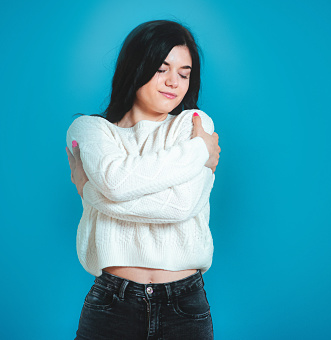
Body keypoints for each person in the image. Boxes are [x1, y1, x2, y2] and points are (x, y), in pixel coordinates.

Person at [65, 20, 221, 340]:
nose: (173, 82)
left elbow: (180, 205)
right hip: (112, 301)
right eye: (162, 68)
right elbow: (115, 182)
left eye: (184, 73)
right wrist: (197, 153)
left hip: (184, 304)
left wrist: (88, 190)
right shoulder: (89, 130)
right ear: (137, 65)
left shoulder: (194, 124)